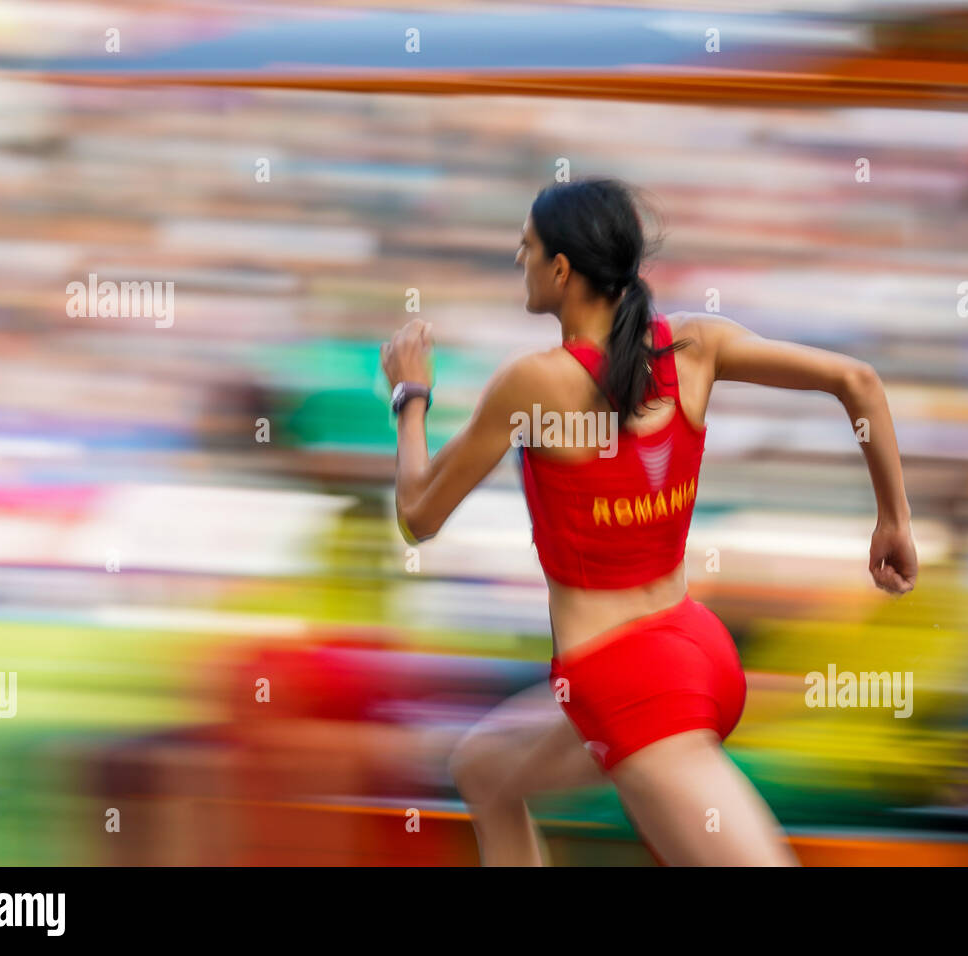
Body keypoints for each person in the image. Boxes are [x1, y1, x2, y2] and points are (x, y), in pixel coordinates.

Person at [381, 177, 917, 866]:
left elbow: (418, 516)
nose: (519, 259)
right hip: (693, 650)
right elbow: (859, 381)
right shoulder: (697, 346)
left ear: (562, 270)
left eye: (527, 247)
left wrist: (411, 395)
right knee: (484, 772)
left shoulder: (533, 383)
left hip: (631, 685)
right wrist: (893, 521)